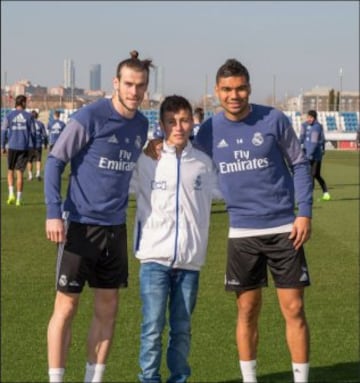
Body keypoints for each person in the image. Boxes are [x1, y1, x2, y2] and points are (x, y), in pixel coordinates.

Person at [193, 59, 313, 383]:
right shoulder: (208, 130)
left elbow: (300, 164)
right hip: (242, 232)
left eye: (241, 88)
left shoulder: (273, 119)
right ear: (217, 91)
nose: (235, 95)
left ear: (249, 88)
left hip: (284, 230)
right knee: (247, 310)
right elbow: (190, 166)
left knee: (294, 309)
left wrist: (303, 213)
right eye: (228, 89)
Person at [44, 50, 153, 383]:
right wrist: (53, 213)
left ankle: (94, 379)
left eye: (141, 86)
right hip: (79, 225)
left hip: (115, 229)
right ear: (116, 83)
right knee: (66, 307)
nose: (135, 92)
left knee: (108, 308)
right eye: (129, 84)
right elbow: (55, 161)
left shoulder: (141, 124)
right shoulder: (90, 116)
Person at [130, 95, 221, 383]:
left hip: (189, 261)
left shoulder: (204, 163)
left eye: (184, 120)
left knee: (182, 328)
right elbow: (115, 183)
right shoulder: (146, 160)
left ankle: (179, 378)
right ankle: (149, 379)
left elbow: (230, 192)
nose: (178, 127)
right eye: (171, 121)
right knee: (153, 327)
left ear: (193, 121)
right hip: (153, 258)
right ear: (162, 124)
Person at [1, 94, 35, 206]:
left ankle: (11, 194)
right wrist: (33, 147)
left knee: (10, 171)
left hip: (12, 147)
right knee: (20, 173)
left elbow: (3, 131)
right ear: (23, 103)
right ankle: (18, 200)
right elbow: (33, 133)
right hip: (24, 148)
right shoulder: (29, 116)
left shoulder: (9, 115)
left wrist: (2, 146)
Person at [299, 110, 331, 201]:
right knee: (313, 175)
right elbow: (301, 138)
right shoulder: (304, 125)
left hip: (316, 155)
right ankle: (325, 193)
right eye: (307, 117)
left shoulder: (317, 127)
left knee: (313, 174)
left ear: (313, 118)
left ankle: (312, 195)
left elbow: (314, 142)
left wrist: (310, 154)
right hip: (306, 154)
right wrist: (298, 149)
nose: (307, 119)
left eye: (309, 117)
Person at [27, 110, 48, 181]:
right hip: (38, 144)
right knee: (38, 160)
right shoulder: (40, 124)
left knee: (29, 161)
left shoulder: (28, 124)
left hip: (30, 145)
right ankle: (38, 174)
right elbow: (45, 135)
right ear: (37, 116)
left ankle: (30, 176)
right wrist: (45, 144)